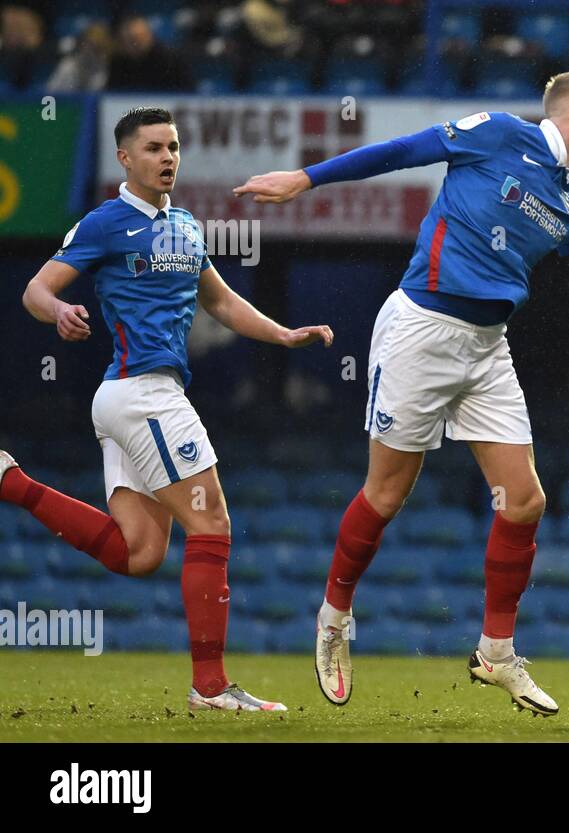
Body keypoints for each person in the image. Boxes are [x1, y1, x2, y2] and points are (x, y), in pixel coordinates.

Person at [233, 71, 569, 715]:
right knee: (387, 492)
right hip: (421, 332)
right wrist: (305, 178)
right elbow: (403, 151)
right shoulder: (499, 134)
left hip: (487, 347)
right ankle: (335, 616)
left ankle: (497, 653)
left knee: (525, 501)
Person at [2, 106, 334, 711]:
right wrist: (60, 312)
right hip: (144, 393)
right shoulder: (105, 223)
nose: (168, 158)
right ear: (125, 158)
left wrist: (284, 335)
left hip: (130, 399)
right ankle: (210, 687)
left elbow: (222, 302)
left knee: (140, 554)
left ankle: (12, 482)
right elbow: (36, 290)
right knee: (212, 525)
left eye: (174, 147)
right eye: (153, 148)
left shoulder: (185, 224)